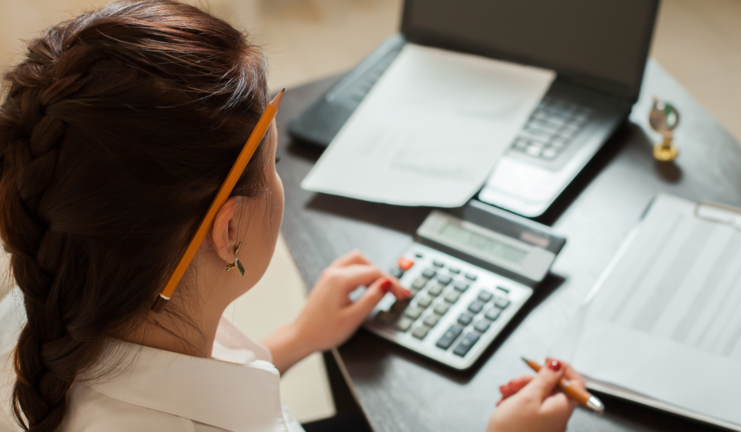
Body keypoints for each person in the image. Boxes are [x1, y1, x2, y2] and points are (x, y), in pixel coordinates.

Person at [0, 1, 586, 431]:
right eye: (274, 161)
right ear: (228, 230)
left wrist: (297, 338)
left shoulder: (41, 292)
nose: (281, 178)